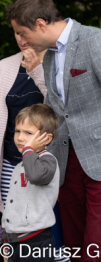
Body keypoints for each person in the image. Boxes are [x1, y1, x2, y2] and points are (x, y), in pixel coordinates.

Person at [6, 0, 101, 261]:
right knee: (73, 246)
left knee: (96, 249)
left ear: (40, 24)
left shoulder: (96, 40)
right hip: (64, 163)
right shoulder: (48, 55)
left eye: (22, 33)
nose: (21, 41)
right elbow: (59, 108)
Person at [0, 25, 69, 262]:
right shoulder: (5, 67)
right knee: (12, 215)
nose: (21, 39)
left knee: (46, 222)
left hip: (44, 160)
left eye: (26, 32)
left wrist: (37, 70)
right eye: (17, 33)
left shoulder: (57, 63)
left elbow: (60, 109)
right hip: (9, 160)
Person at [2, 103, 60, 262]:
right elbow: (13, 208)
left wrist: (28, 149)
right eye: (18, 131)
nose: (20, 137)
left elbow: (36, 176)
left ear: (46, 138)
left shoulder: (48, 161)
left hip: (36, 241)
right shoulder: (19, 166)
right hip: (14, 241)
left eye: (28, 133)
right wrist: (6, 242)